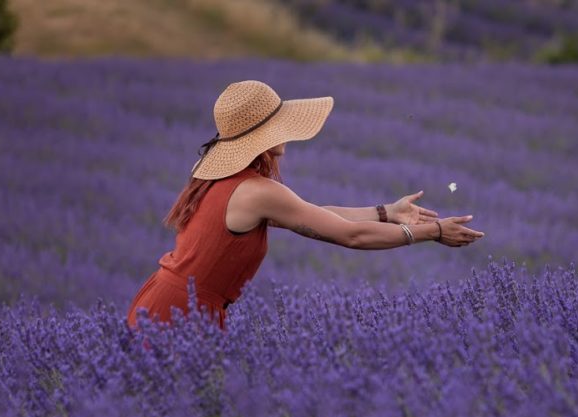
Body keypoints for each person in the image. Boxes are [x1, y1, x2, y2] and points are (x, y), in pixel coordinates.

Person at [126, 79, 484, 332]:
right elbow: (352, 236)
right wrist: (432, 231)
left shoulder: (222, 180)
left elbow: (312, 212)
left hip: (161, 302)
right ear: (260, 138)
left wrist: (387, 212)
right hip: (181, 316)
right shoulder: (256, 190)